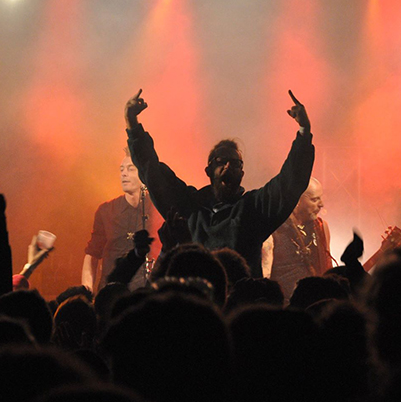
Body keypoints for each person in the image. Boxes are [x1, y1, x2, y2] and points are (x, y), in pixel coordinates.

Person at [124, 89, 314, 276]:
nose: (228, 166)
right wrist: (133, 125)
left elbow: (290, 182)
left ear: (242, 173)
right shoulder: (188, 206)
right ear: (208, 171)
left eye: (235, 163)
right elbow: (153, 172)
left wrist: (304, 132)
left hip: (237, 302)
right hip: (197, 300)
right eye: (221, 161)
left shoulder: (253, 209)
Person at [82, 154, 161, 292]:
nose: (124, 173)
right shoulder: (106, 210)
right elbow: (92, 254)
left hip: (147, 294)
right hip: (111, 294)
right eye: (122, 169)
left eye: (130, 169)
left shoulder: (157, 208)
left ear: (142, 174)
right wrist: (87, 291)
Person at [262, 177, 332, 301]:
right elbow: (264, 278)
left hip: (316, 309)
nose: (321, 204)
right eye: (314, 199)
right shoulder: (272, 230)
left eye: (321, 198)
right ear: (297, 200)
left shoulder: (321, 227)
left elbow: (327, 269)